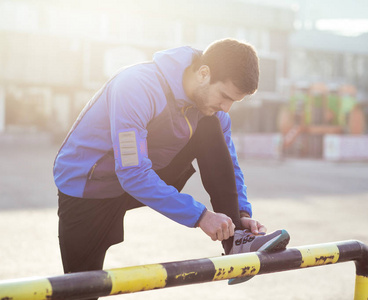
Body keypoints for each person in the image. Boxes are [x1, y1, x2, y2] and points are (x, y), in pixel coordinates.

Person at [53, 38, 290, 289]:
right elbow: (132, 172)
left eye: (234, 101)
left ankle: (236, 241)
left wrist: (241, 215)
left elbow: (230, 163)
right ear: (203, 73)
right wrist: (201, 216)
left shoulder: (213, 110)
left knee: (209, 123)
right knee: (82, 289)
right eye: (224, 96)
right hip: (88, 187)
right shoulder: (136, 87)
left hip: (141, 173)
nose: (226, 107)